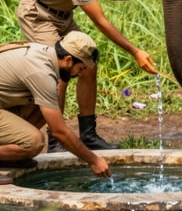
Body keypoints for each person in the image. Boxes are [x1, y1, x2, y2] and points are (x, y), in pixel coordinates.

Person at [16, 0, 161, 150]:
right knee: (60, 70)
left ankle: (88, 136)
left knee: (88, 63)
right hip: (38, 15)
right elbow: (100, 20)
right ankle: (56, 140)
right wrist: (135, 51)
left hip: (63, 16)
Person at [0, 32, 111, 180]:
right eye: (81, 68)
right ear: (68, 59)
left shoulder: (45, 55)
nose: (80, 74)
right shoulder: (41, 72)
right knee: (33, 142)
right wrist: (93, 160)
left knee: (46, 105)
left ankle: (7, 156)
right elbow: (59, 132)